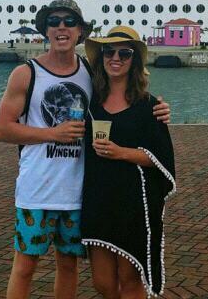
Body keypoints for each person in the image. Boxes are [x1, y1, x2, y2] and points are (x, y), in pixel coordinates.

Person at [0, 0, 171, 299]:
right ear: (45, 30)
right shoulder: (26, 74)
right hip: (36, 190)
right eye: (54, 21)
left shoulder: (90, 73)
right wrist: (53, 133)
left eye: (69, 21)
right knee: (24, 267)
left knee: (68, 266)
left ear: (80, 31)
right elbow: (2, 130)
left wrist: (159, 108)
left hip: (78, 193)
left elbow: (125, 97)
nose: (61, 27)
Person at [81, 26, 176, 298]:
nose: (115, 58)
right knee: (102, 283)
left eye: (124, 53)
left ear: (134, 61)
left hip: (132, 204)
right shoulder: (90, 102)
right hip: (98, 199)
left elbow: (162, 159)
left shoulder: (149, 106)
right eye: (109, 52)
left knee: (130, 280)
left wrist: (120, 152)